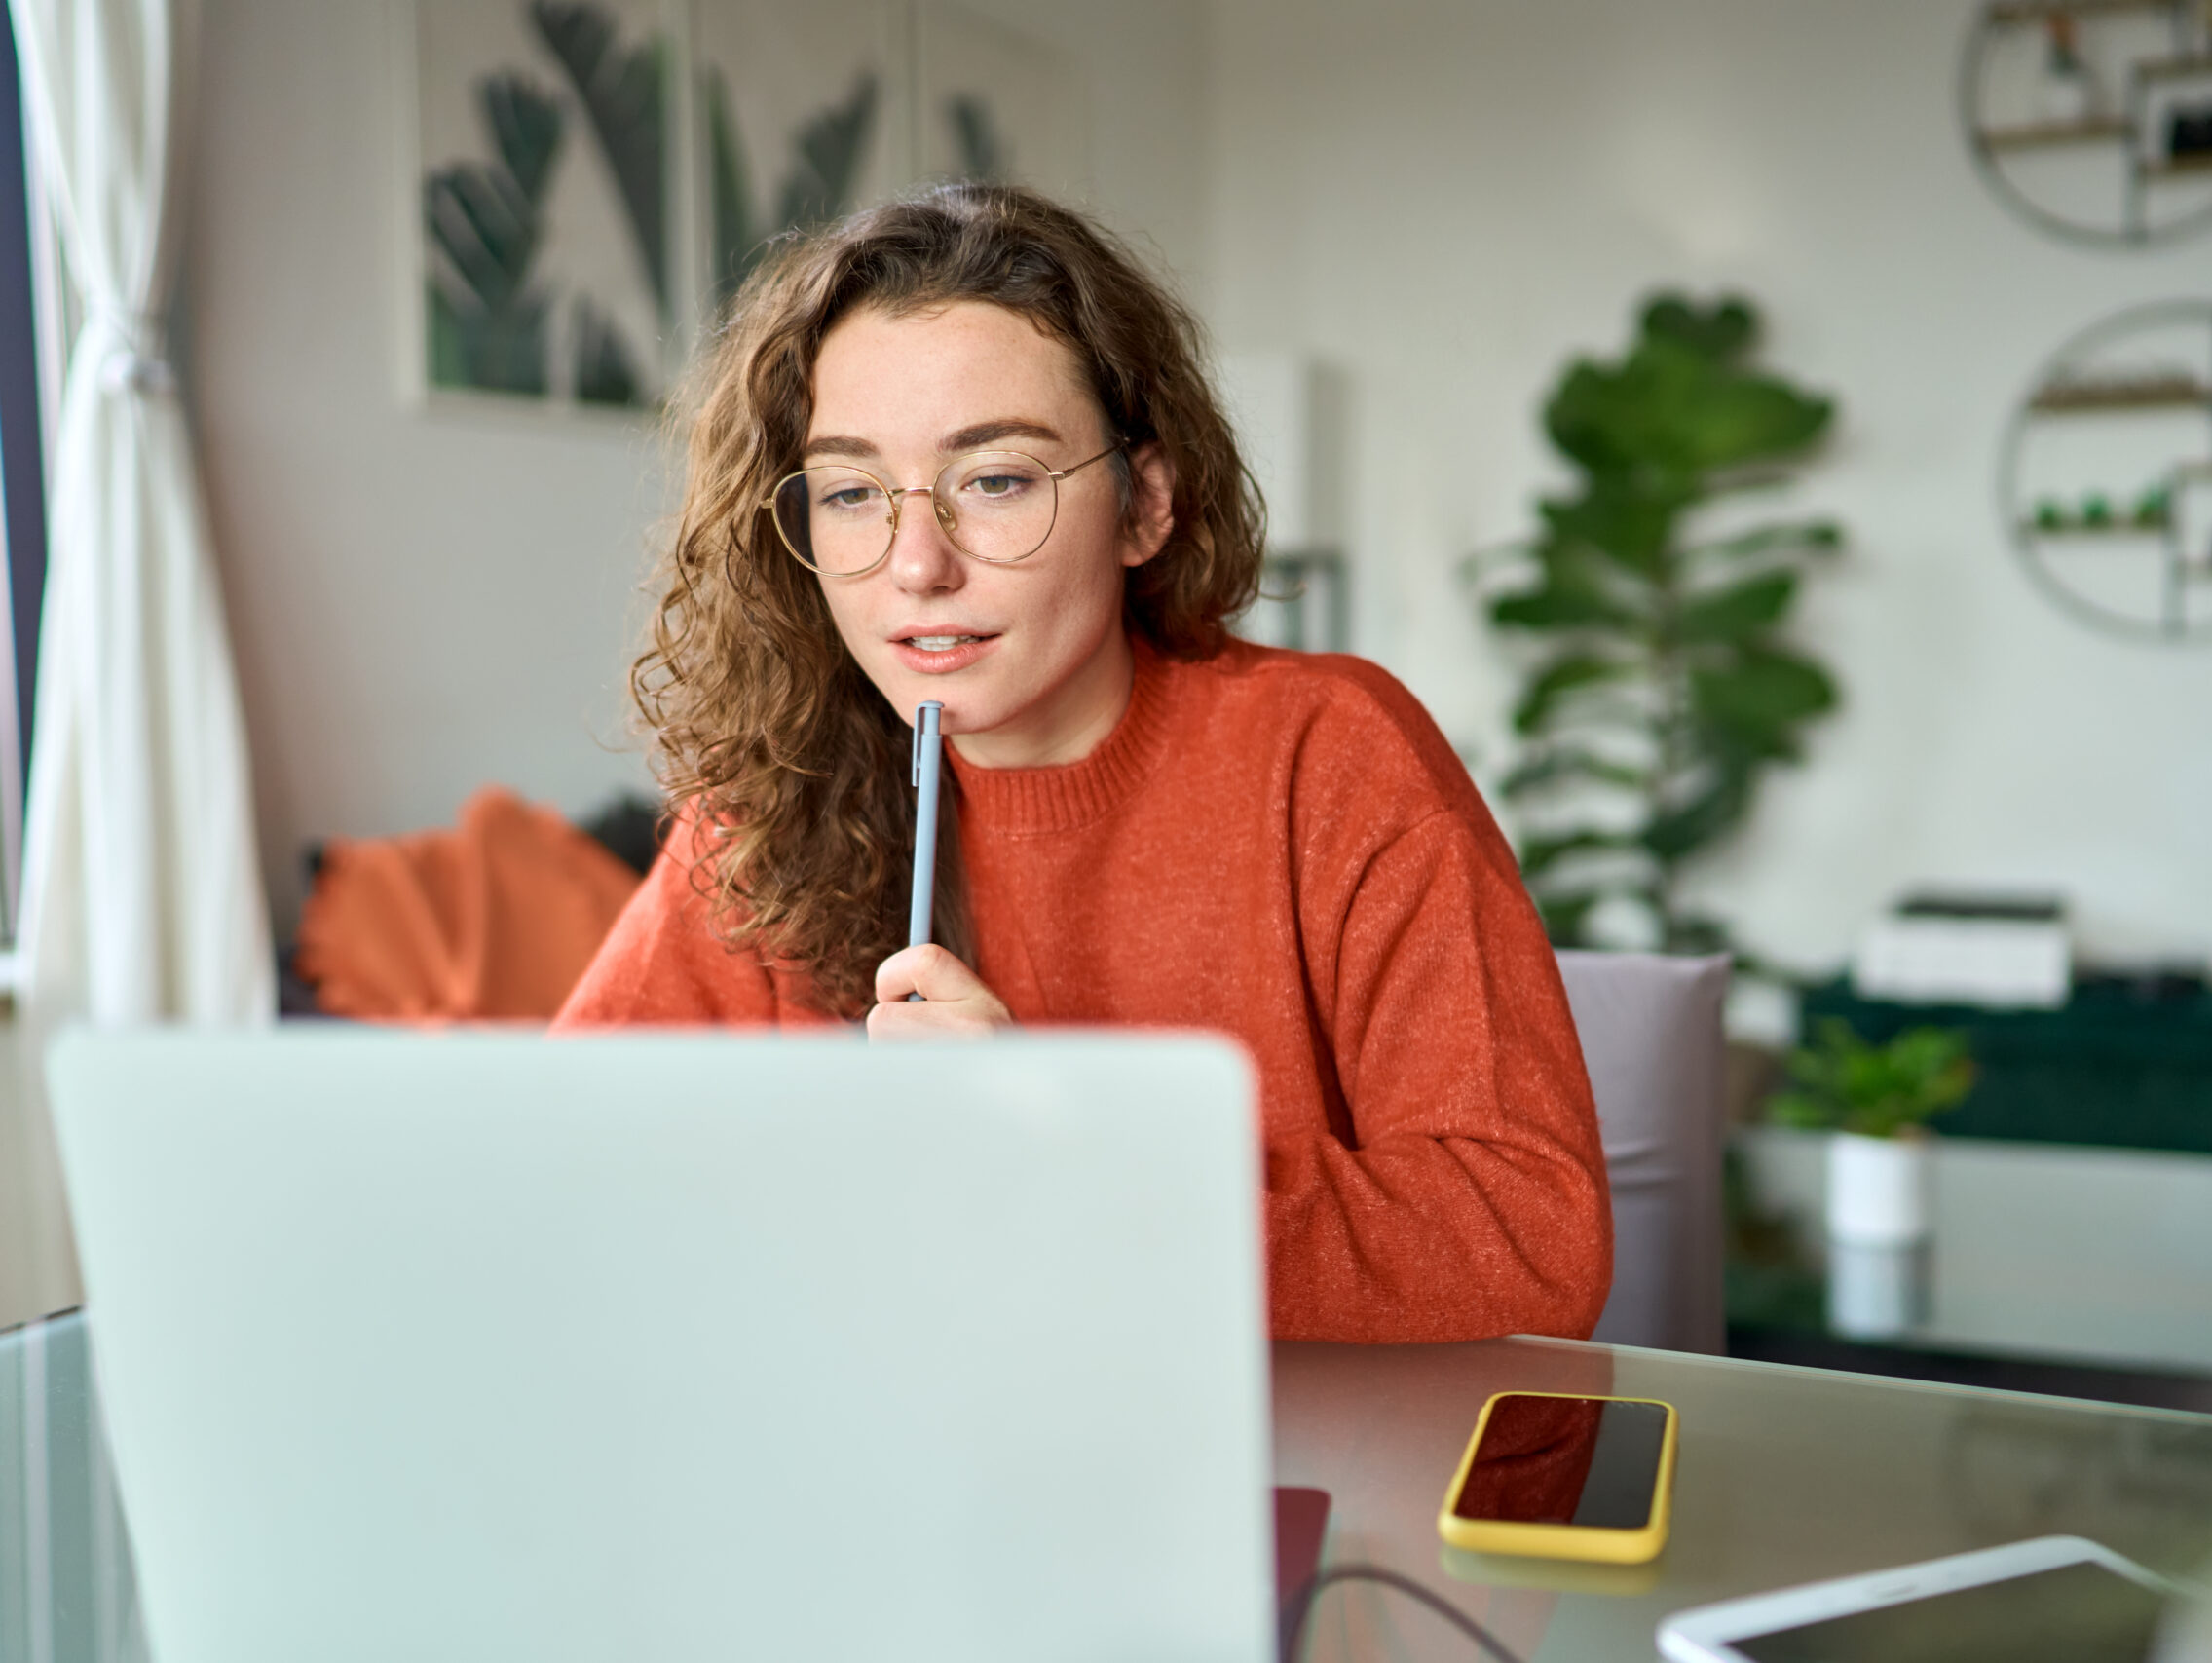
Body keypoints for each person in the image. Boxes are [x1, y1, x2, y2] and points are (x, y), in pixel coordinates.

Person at [555, 183, 1611, 1345]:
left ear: (1143, 504)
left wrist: (1076, 1162)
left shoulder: (1329, 755)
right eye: (854, 493)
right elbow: (555, 1173)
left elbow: (1526, 1234)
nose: (915, 566)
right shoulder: (767, 805)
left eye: (995, 480)